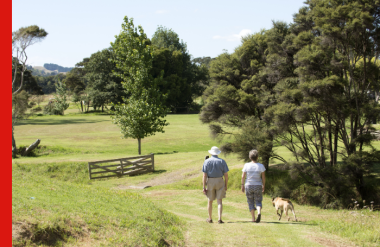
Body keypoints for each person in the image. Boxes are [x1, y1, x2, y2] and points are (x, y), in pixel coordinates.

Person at [202, 146, 229, 224]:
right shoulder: (222, 161)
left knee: (210, 200)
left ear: (210, 153)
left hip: (210, 180)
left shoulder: (207, 161)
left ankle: (210, 218)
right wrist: (226, 185)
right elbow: (226, 175)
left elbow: (204, 175)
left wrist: (204, 187)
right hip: (220, 180)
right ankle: (219, 218)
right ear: (218, 153)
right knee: (219, 201)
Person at [241, 149, 266, 223]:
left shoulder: (246, 165)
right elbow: (263, 177)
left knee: (250, 201)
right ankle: (259, 212)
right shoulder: (261, 166)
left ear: (250, 157)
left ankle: (253, 218)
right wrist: (263, 185)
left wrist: (242, 185)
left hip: (248, 185)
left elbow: (243, 176)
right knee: (258, 201)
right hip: (258, 185)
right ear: (257, 157)